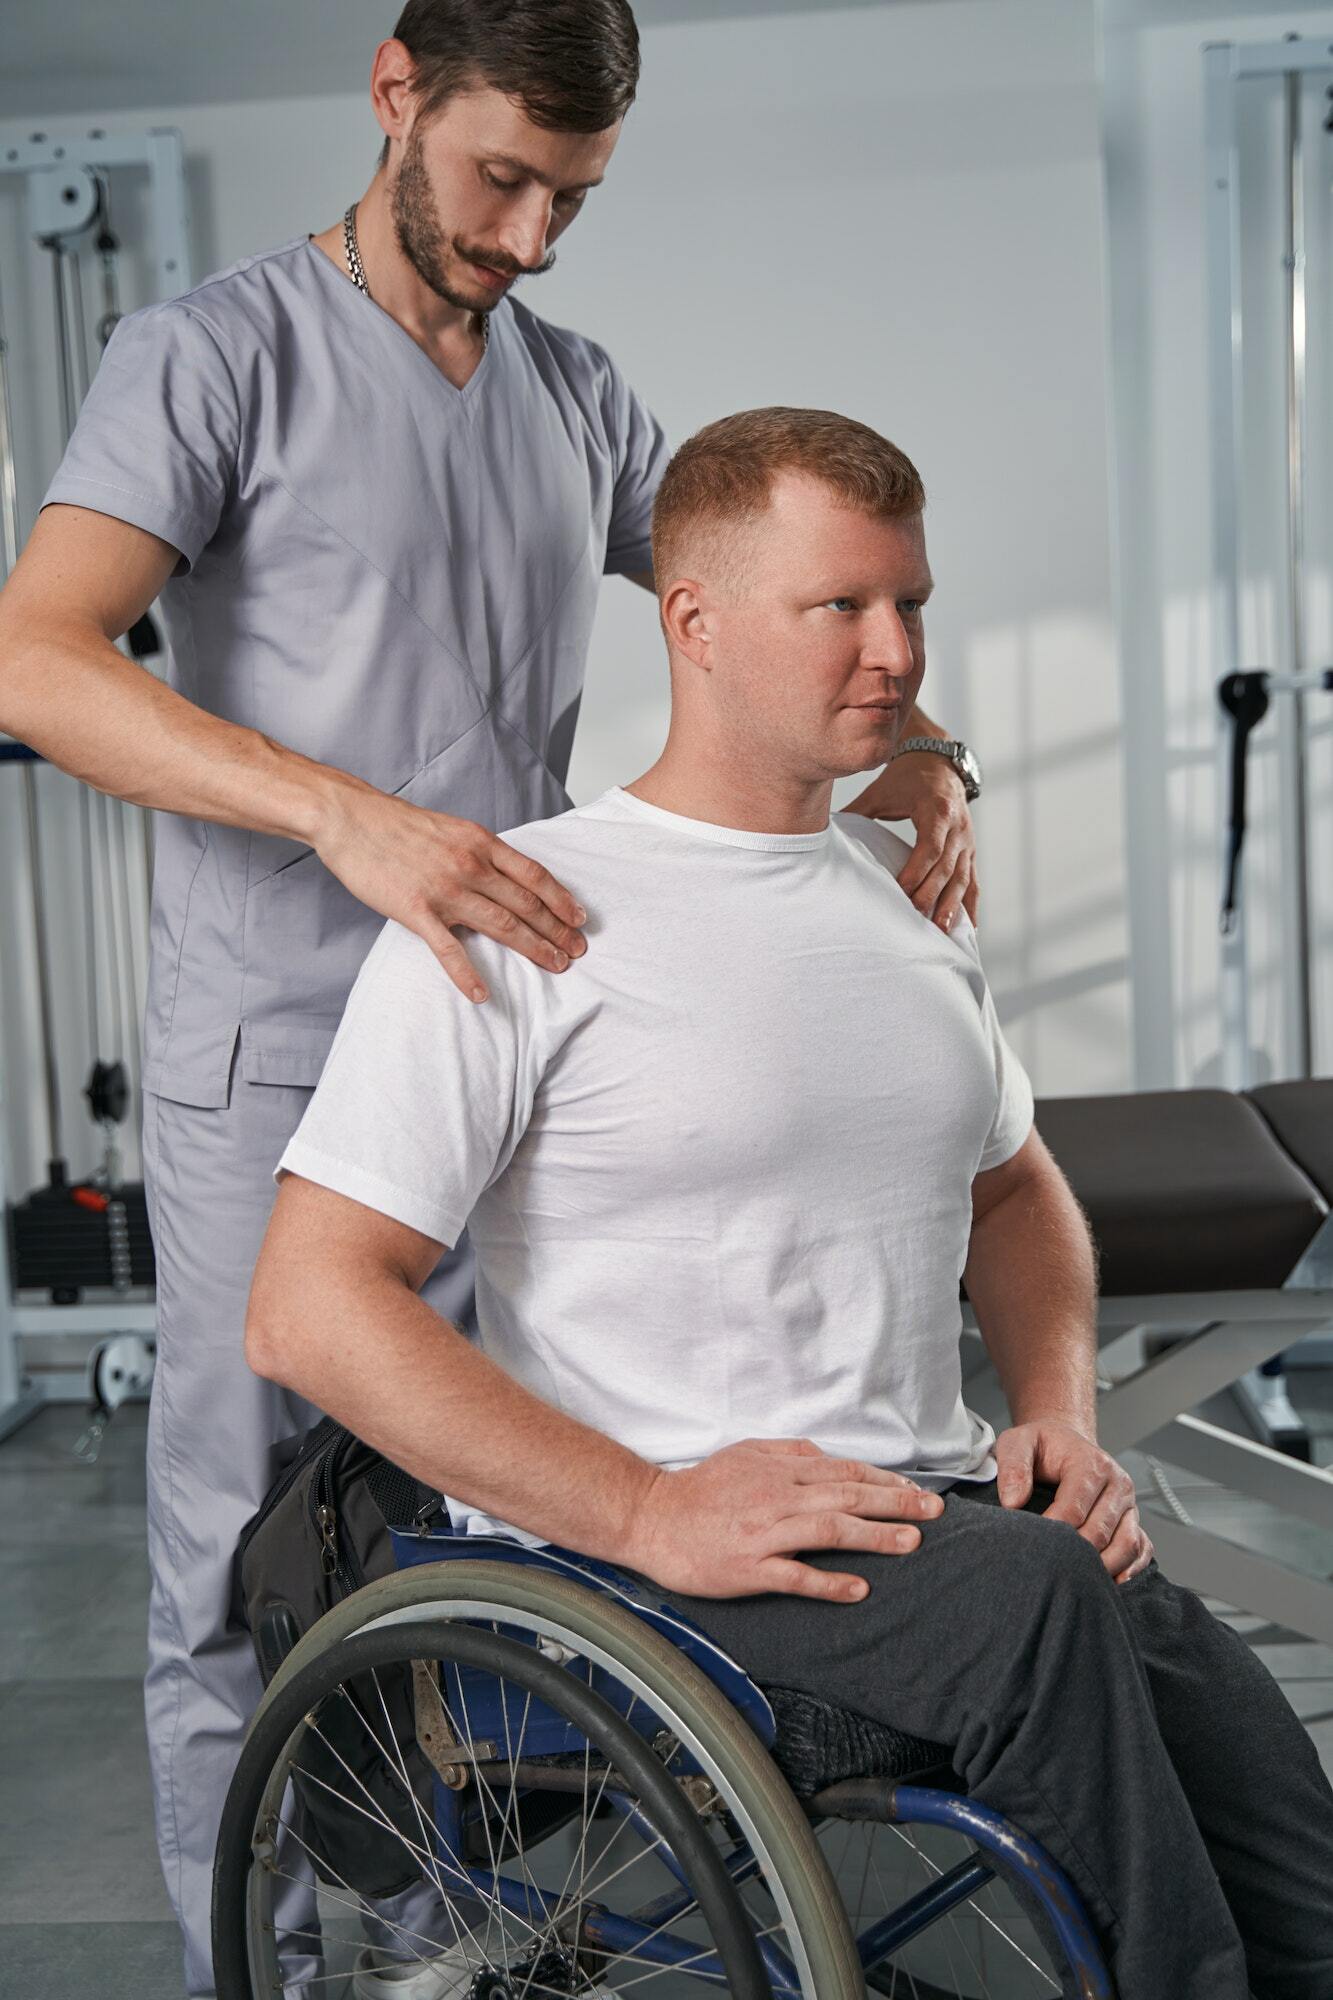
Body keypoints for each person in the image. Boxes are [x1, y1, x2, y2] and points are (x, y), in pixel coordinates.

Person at [0, 7, 983, 1996]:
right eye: (501, 179)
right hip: (276, 1046)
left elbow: (751, 593)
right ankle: (249, 1964)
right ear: (395, 95)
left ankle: (470, 1935)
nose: (530, 235)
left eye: (573, 197)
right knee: (243, 1553)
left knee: (488, 1513)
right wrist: (339, 817)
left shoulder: (574, 392)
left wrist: (931, 744)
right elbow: (39, 660)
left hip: (506, 1053)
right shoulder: (209, 359)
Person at [249, 407, 1333, 2000]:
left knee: (1243, 1788)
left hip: (934, 1526)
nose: (894, 653)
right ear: (691, 621)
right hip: (640, 1559)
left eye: (912, 605)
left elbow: (1013, 1182)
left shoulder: (904, 898)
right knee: (1040, 1603)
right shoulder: (519, 912)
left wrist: (1054, 1409)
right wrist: (642, 1509)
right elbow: (308, 1305)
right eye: (841, 607)